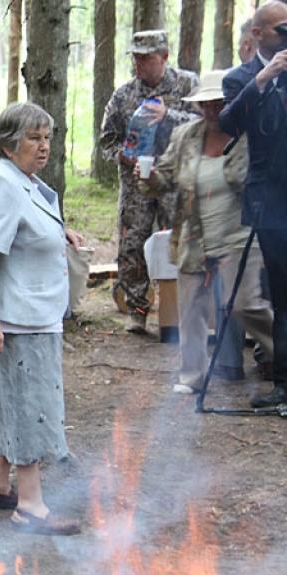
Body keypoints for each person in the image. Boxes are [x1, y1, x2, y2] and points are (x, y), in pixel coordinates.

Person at [0, 102, 83, 536]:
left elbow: (27, 227)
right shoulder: (1, 186)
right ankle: (30, 505)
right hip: (18, 320)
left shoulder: (24, 182)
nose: (44, 147)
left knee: (7, 402)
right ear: (8, 144)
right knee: (29, 407)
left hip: (34, 315)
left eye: (47, 138)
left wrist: (60, 232)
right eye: (34, 139)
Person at [139, 71, 274, 395]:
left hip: (239, 236)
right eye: (205, 104)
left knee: (244, 305)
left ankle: (280, 356)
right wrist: (147, 175)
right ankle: (192, 376)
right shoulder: (186, 135)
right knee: (192, 308)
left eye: (219, 103)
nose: (212, 110)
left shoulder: (250, 137)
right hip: (195, 237)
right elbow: (166, 178)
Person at [99, 30, 199, 334]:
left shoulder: (188, 85)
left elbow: (206, 123)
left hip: (176, 180)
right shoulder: (124, 94)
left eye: (146, 58)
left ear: (164, 57)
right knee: (132, 244)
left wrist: (169, 114)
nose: (139, 65)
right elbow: (106, 141)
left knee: (179, 241)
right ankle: (137, 309)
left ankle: (179, 311)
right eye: (135, 58)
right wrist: (123, 156)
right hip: (136, 186)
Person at [220, 1, 287, 408]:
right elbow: (228, 122)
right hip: (270, 203)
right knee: (280, 296)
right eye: (281, 30)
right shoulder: (242, 77)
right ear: (257, 35)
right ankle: (282, 382)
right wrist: (265, 76)